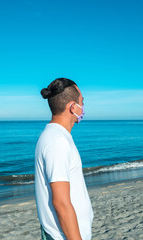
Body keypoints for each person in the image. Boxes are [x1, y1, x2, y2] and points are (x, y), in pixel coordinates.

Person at [34, 78, 94, 240]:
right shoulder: (57, 141)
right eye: (82, 102)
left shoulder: (56, 136)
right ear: (72, 106)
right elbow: (60, 202)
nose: (83, 107)